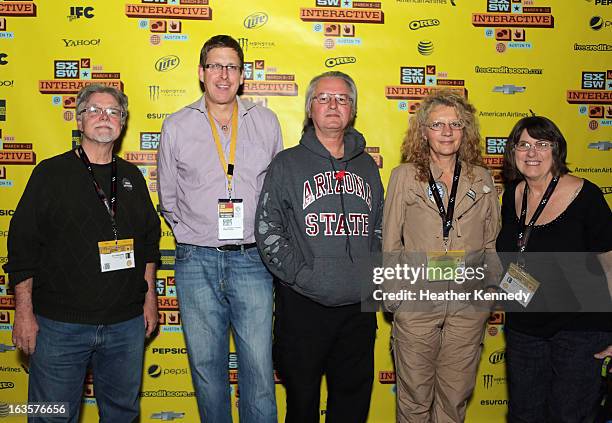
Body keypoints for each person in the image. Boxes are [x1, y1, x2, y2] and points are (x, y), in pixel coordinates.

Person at [4, 84, 160, 422]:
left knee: (122, 414)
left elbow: (148, 243)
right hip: (60, 326)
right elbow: (22, 246)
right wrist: (24, 312)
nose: (105, 117)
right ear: (79, 121)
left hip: (125, 326)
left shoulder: (132, 176)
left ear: (123, 121)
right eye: (95, 110)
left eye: (113, 112)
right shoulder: (50, 174)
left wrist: (149, 301)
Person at [157, 34, 282, 423]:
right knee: (207, 372)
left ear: (243, 76)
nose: (223, 75)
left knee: (259, 372)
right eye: (215, 66)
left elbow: (277, 191)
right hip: (195, 262)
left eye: (232, 67)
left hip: (253, 261)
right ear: (201, 73)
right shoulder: (176, 125)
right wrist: (193, 236)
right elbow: (168, 198)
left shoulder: (265, 121)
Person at [255, 71, 383, 423]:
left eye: (342, 99)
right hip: (303, 305)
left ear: (352, 110)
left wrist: (369, 276)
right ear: (310, 108)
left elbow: (382, 226)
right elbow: (268, 228)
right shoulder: (287, 163)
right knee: (302, 405)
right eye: (324, 98)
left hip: (358, 308)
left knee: (352, 406)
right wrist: (301, 274)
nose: (333, 105)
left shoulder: (367, 165)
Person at [383, 90, 501, 422]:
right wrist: (396, 301)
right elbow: (391, 243)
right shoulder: (403, 176)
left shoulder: (482, 178)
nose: (447, 132)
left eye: (455, 124)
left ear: (466, 131)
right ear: (423, 131)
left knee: (454, 398)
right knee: (414, 399)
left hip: (467, 306)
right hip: (417, 302)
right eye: (437, 124)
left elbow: (492, 242)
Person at [496, 115, 612, 422]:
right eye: (523, 145)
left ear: (556, 149)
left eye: (542, 144)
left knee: (569, 416)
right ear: (513, 152)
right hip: (525, 329)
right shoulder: (512, 195)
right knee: (524, 415)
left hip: (579, 328)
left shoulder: (586, 196)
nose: (532, 153)